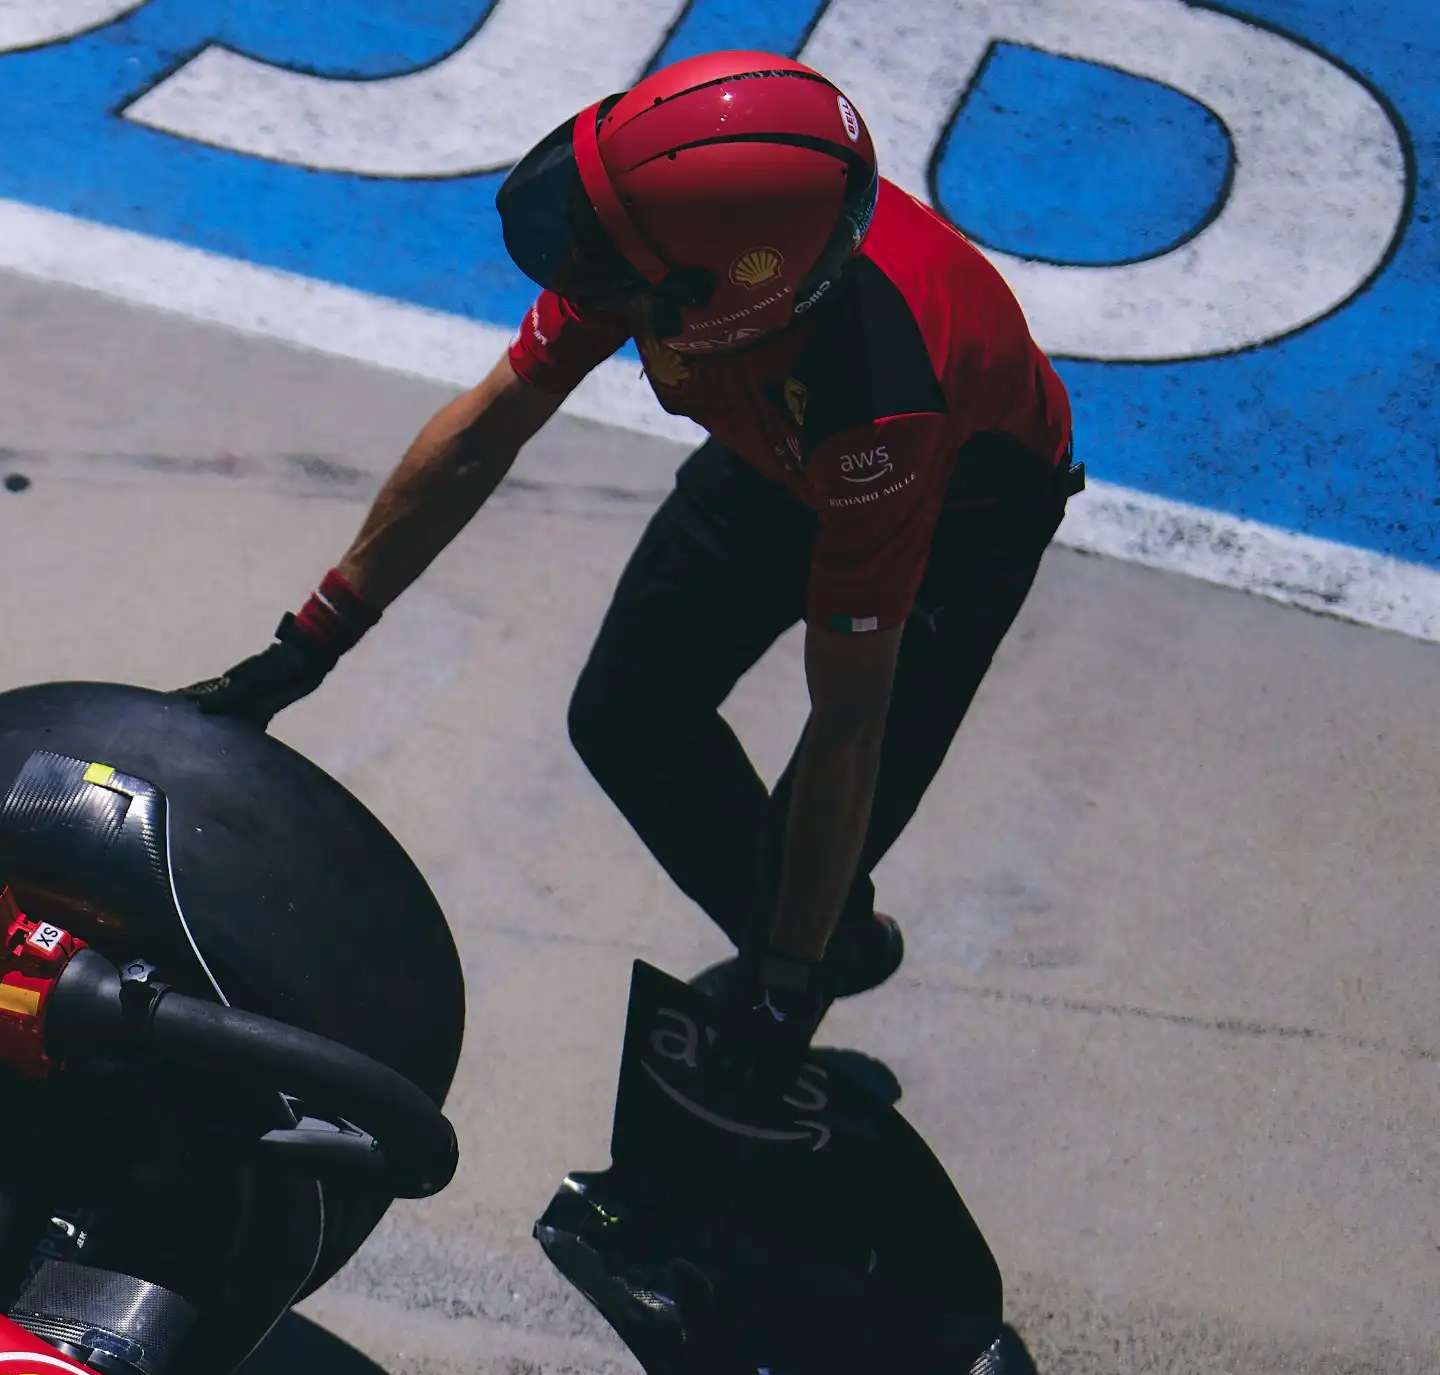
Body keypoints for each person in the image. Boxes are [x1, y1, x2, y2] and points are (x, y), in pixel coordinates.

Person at [181, 50, 1076, 1099]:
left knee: (811, 841)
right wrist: (306, 647)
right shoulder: (657, 250)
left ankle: (808, 955)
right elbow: (482, 433)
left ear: (722, 301)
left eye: (604, 268)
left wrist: (782, 991)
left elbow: (847, 727)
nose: (577, 272)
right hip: (771, 447)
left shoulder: (874, 410)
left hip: (947, 516)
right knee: (623, 717)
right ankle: (832, 940)